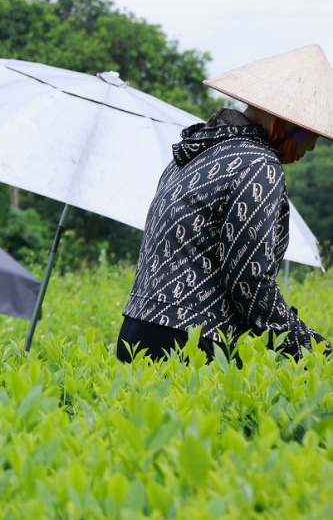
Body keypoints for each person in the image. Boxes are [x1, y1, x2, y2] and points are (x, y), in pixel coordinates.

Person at [118, 44, 330, 361]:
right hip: (190, 342)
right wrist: (314, 350)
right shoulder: (260, 166)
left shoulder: (190, 155)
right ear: (282, 123)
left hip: (135, 332)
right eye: (307, 136)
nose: (309, 148)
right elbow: (249, 281)